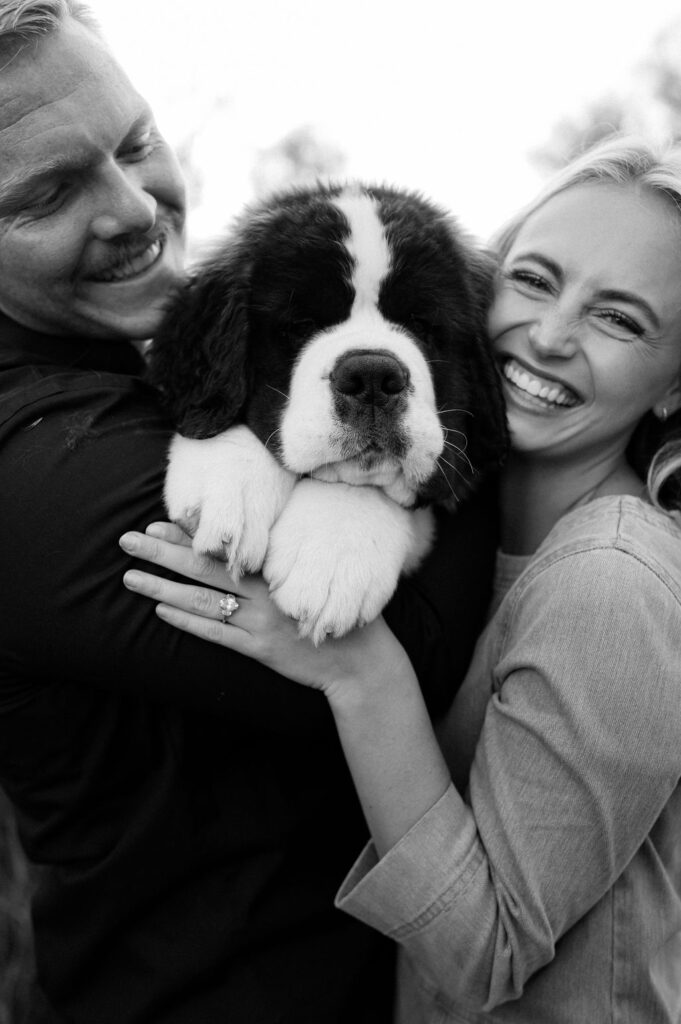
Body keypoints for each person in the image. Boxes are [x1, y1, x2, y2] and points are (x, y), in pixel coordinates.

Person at [0, 2, 502, 1021]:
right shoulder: (28, 464)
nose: (135, 208)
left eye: (136, 142)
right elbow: (422, 637)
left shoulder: (125, 355)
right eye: (49, 191)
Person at [122, 133, 681, 1023]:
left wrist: (358, 668)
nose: (548, 334)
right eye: (534, 280)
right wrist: (222, 436)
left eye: (620, 318)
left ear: (673, 388)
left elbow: (483, 956)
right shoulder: (490, 524)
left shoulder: (609, 585)